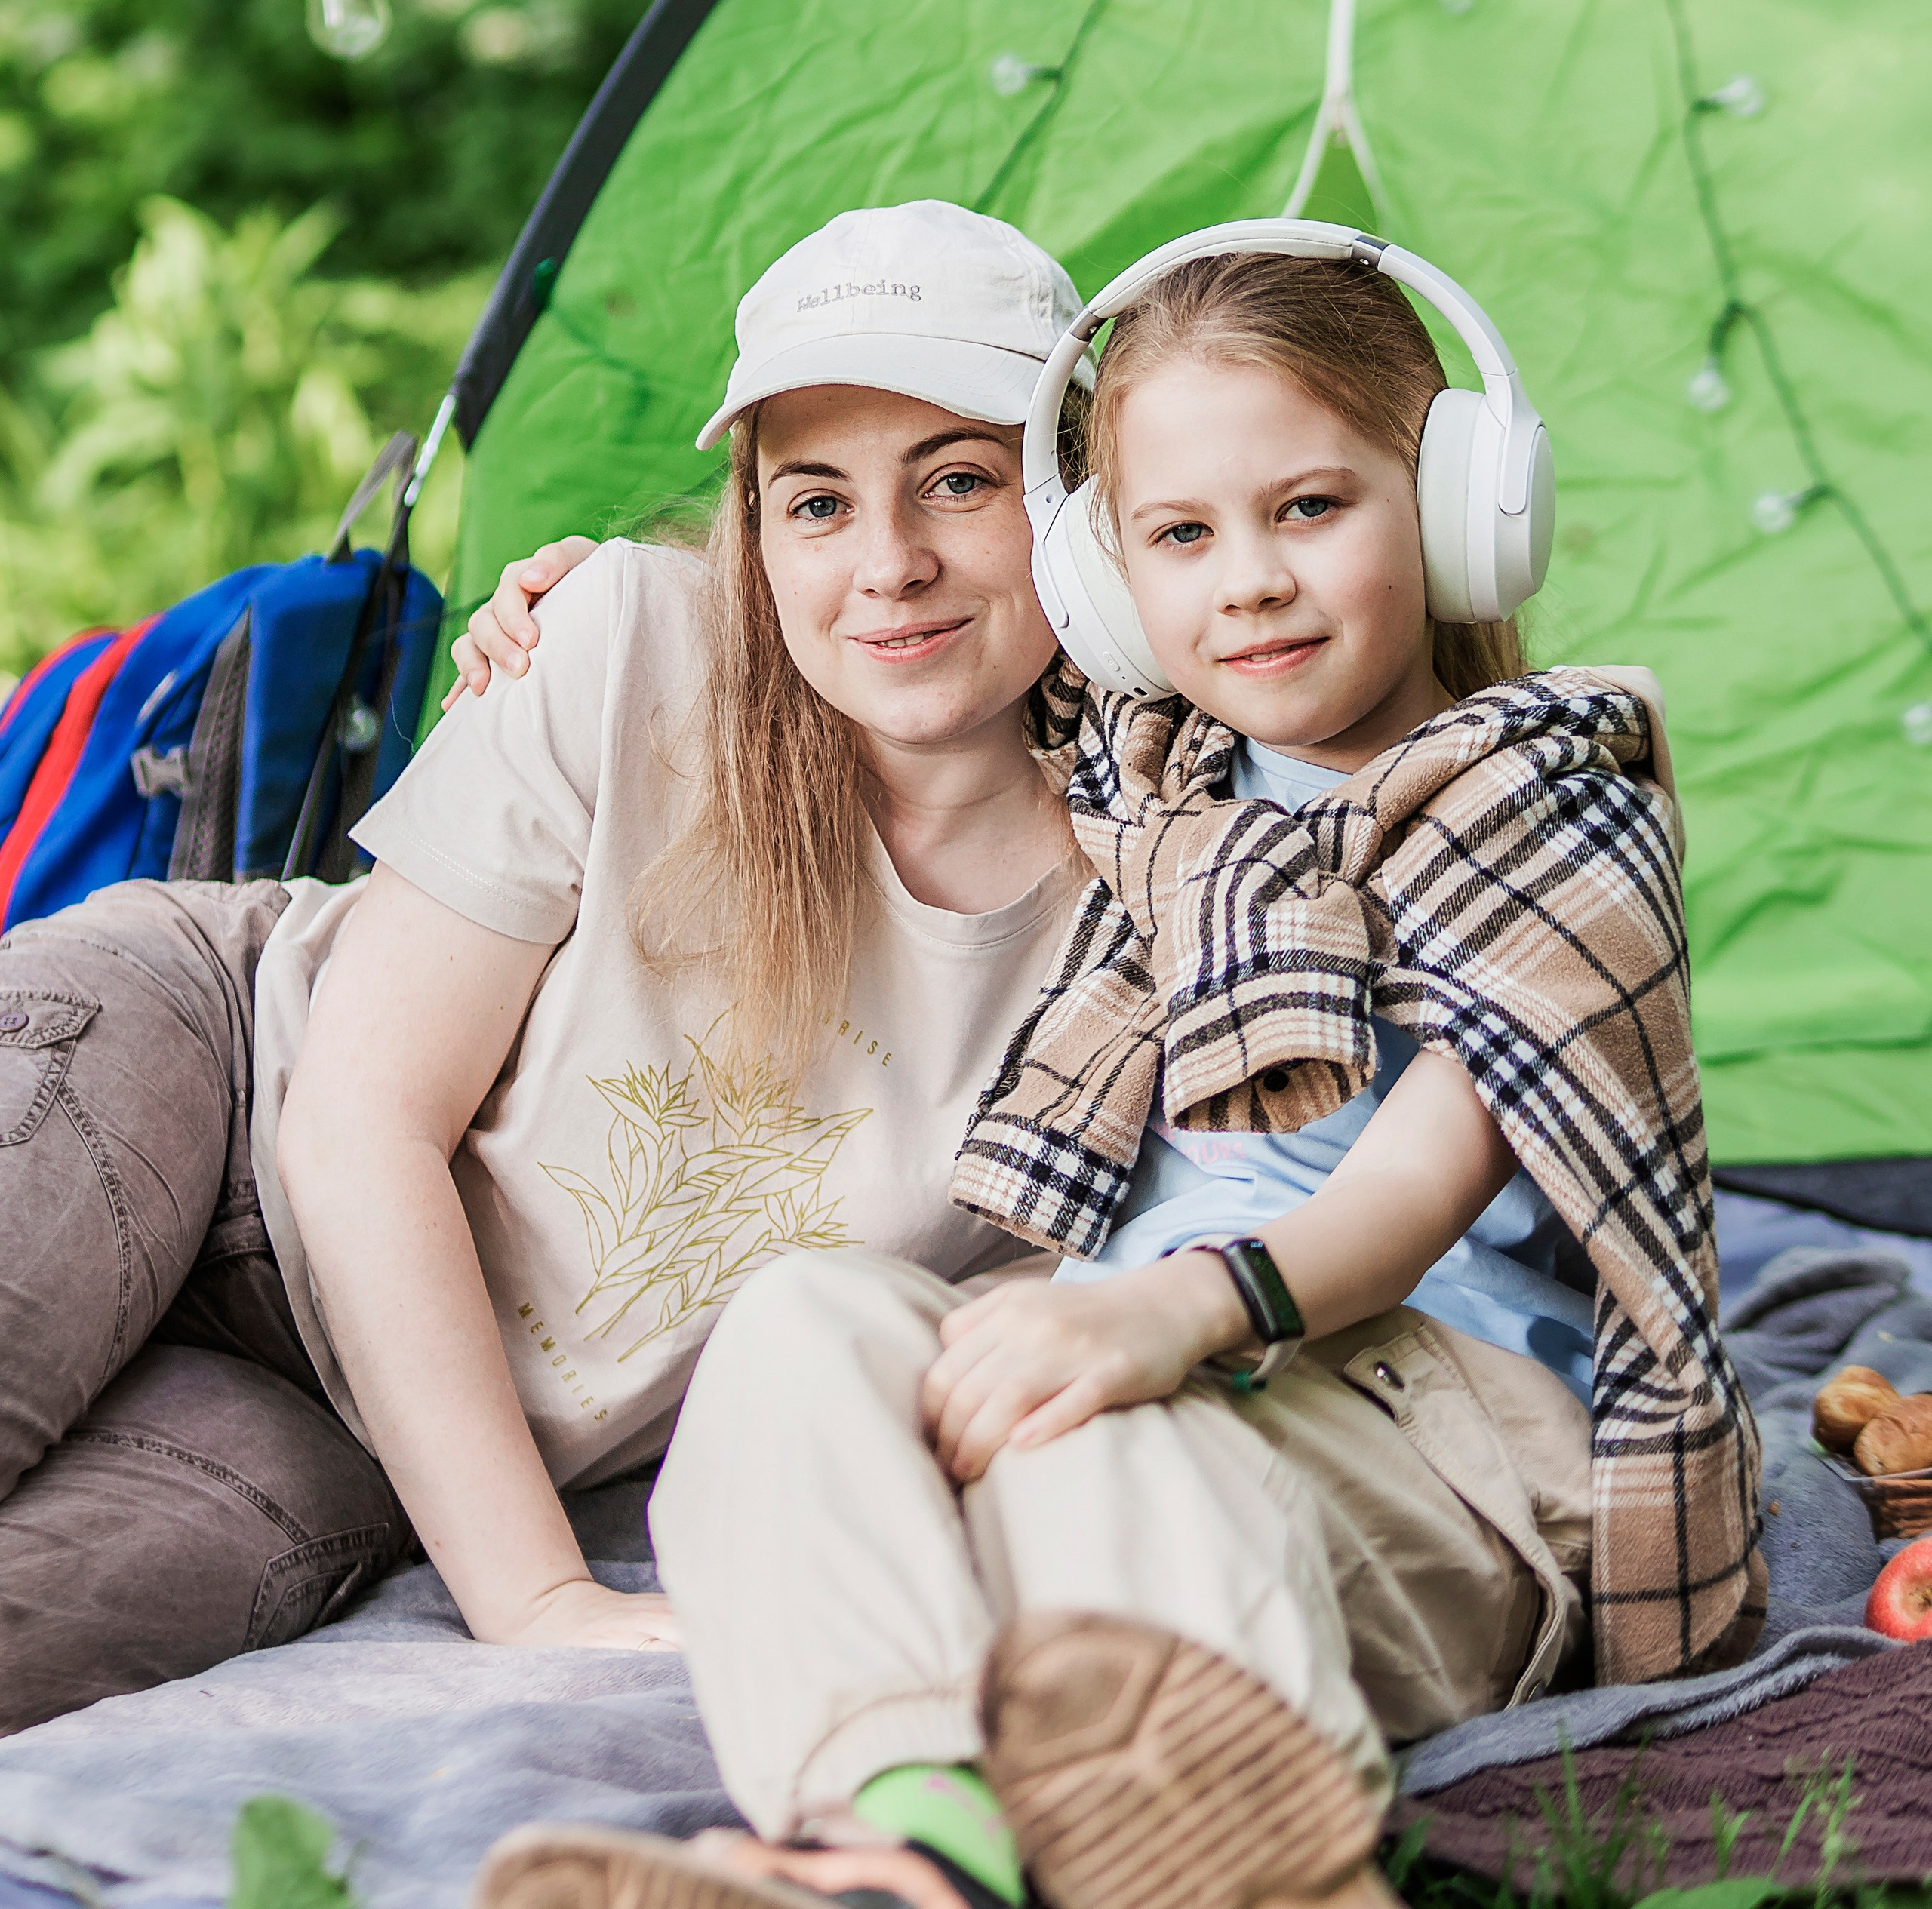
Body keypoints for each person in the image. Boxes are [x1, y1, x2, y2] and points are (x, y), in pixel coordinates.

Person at [463, 241, 1761, 1909]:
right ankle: (906, 1832)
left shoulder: (1544, 801)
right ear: (1101, 581)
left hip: (1430, 1423)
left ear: (1453, 505)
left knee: (1085, 1427)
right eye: (1177, 536)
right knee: (800, 1324)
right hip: (1166, 1367)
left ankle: (1257, 1860)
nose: (1248, 584)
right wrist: (601, 602)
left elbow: (1398, 1195)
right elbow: (905, 636)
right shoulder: (1162, 771)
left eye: (1308, 508)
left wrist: (1159, 1314)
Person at [0, 201, 1093, 1737]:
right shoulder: (629, 642)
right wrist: (537, 1603)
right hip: (212, 1072)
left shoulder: (1164, 886)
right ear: (755, 521)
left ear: (1076, 494)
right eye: (816, 501)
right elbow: (355, 1115)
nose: (887, 565)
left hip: (349, 1415)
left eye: (958, 481)